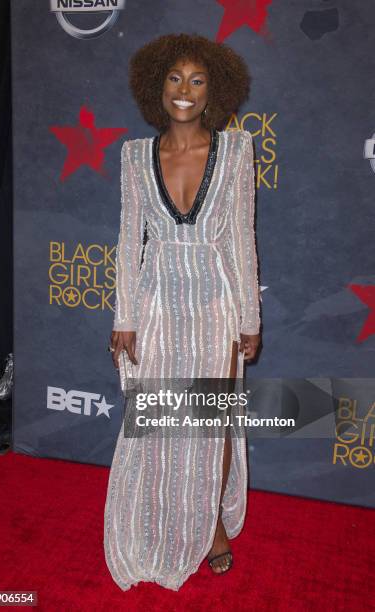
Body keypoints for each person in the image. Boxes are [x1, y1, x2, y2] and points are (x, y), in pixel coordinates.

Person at [104, 33, 261, 591]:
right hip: (156, 301)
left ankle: (214, 522)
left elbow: (242, 238)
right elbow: (128, 241)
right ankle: (163, 515)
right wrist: (124, 316)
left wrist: (249, 320)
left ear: (213, 88)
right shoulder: (133, 156)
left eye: (197, 79)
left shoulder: (237, 151)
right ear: (156, 86)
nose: (185, 91)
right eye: (175, 78)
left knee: (212, 421)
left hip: (215, 301)